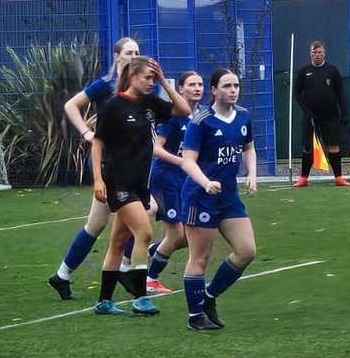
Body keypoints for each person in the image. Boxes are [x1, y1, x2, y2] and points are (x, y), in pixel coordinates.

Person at [91, 56, 191, 316]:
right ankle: (140, 297)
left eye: (152, 78)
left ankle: (104, 301)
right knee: (144, 233)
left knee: (118, 241)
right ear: (132, 76)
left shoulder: (150, 105)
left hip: (140, 184)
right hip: (117, 182)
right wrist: (98, 180)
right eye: (147, 77)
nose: (150, 82)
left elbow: (184, 110)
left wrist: (162, 81)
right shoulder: (113, 107)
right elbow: (97, 144)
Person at [48, 36, 140, 300]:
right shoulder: (105, 85)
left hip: (125, 161)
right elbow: (71, 105)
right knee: (145, 210)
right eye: (129, 52)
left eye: (137, 52)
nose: (134, 57)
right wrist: (87, 133)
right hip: (107, 162)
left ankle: (62, 275)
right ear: (117, 56)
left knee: (96, 224)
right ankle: (122, 268)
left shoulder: (139, 87)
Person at [180, 68, 259, 331]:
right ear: (214, 90)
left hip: (228, 197)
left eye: (236, 85)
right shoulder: (201, 120)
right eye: (227, 86)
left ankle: (209, 297)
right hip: (200, 198)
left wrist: (252, 174)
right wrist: (205, 182)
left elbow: (248, 147)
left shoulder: (244, 117)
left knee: (247, 250)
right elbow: (187, 161)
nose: (233, 90)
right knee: (200, 258)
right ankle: (195, 317)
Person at [143, 70, 202, 295]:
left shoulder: (201, 117)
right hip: (165, 179)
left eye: (200, 84)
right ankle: (149, 279)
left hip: (184, 183)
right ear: (180, 89)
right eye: (191, 85)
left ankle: (150, 251)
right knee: (176, 234)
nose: (197, 88)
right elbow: (156, 148)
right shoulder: (173, 117)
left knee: (188, 237)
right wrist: (183, 162)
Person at [291, 41, 349, 187]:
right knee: (308, 147)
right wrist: (307, 111)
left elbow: (340, 94)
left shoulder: (333, 71)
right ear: (310, 53)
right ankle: (303, 178)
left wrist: (345, 113)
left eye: (320, 52)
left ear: (324, 53)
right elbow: (297, 94)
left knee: (333, 146)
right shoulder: (304, 72)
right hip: (311, 118)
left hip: (330, 117)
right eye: (314, 52)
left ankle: (339, 177)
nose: (317, 55)